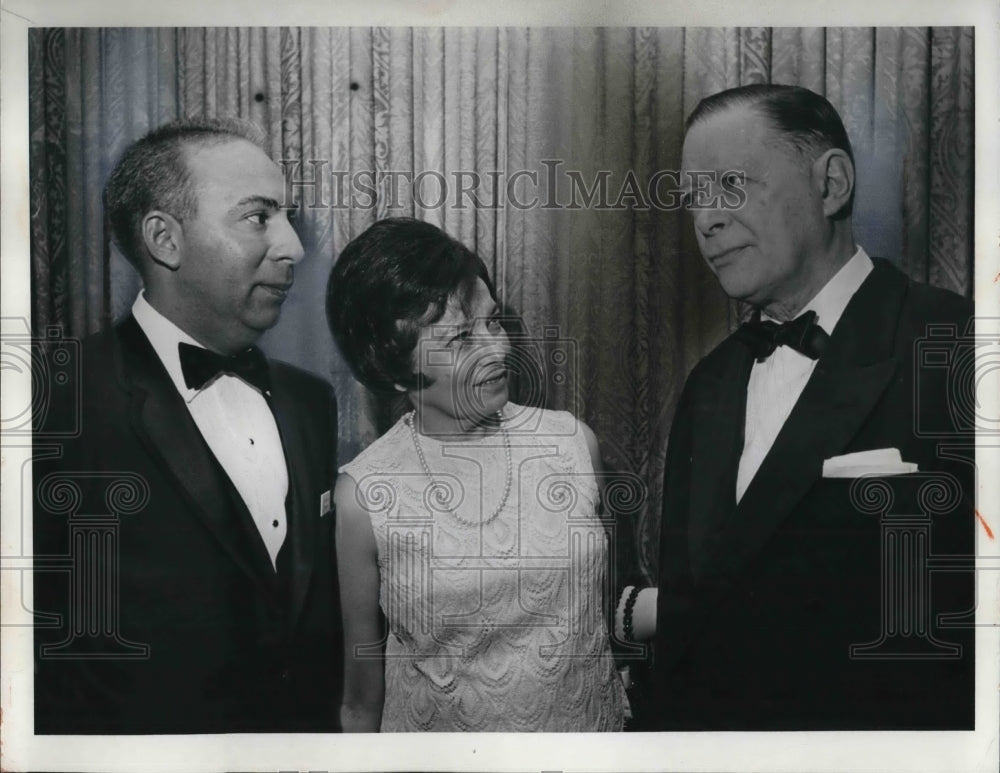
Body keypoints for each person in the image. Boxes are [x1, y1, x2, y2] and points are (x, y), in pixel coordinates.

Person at [630, 84, 975, 730]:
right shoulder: (708, 385)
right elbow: (688, 629)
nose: (706, 219)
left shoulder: (960, 346)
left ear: (832, 184)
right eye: (695, 199)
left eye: (731, 184)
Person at [32, 118, 342, 734]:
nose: (293, 248)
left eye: (287, 217)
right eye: (258, 217)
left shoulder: (312, 403)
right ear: (164, 240)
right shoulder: (50, 400)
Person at [326, 217, 627, 732]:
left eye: (493, 322)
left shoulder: (571, 443)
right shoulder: (365, 497)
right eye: (463, 338)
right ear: (394, 368)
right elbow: (360, 697)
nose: (498, 349)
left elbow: (599, 611)